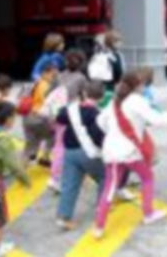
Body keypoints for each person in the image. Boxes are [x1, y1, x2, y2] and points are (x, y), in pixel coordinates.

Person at [93, 71, 167, 239]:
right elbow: (158, 120)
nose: (144, 87)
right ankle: (148, 213)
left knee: (109, 187)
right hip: (131, 151)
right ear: (137, 86)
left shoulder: (115, 100)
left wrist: (113, 133)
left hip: (112, 150)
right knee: (147, 178)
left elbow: (100, 121)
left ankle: (99, 226)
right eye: (142, 84)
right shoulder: (137, 101)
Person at [55, 81, 107, 230]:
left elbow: (59, 117)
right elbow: (98, 137)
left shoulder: (72, 109)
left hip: (70, 152)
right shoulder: (96, 113)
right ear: (102, 97)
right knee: (105, 176)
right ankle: (101, 209)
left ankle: (64, 217)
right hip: (88, 153)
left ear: (84, 94)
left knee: (70, 185)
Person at [0, 102, 32, 257]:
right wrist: (26, 180)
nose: (15, 120)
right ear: (7, 119)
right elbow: (15, 166)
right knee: (0, 215)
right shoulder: (4, 139)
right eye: (14, 117)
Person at [48, 49, 90, 193]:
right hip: (71, 114)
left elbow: (49, 94)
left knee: (59, 145)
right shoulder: (81, 78)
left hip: (56, 114)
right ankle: (61, 176)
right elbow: (85, 98)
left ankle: (56, 177)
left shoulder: (58, 76)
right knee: (72, 145)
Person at [22, 62, 58, 167]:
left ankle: (24, 166)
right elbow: (48, 105)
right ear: (44, 73)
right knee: (54, 134)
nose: (54, 77)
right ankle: (45, 157)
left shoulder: (35, 83)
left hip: (28, 116)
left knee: (31, 142)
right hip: (39, 118)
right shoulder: (46, 86)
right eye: (53, 75)